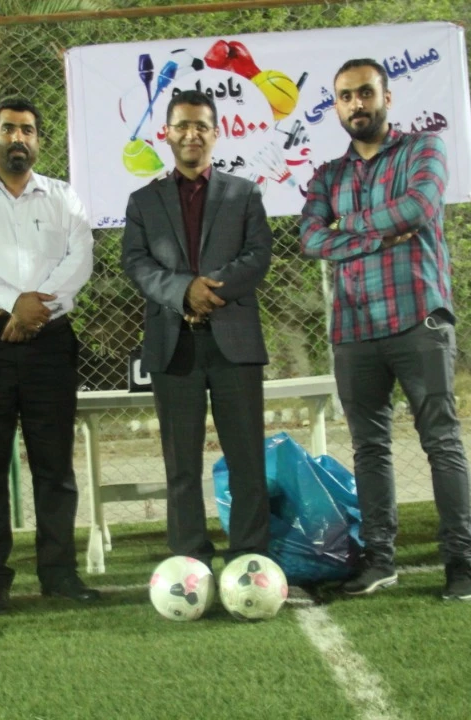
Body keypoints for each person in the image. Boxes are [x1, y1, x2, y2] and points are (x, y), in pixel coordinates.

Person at [298, 59, 471, 601]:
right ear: (336, 106)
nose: (357, 104)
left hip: (418, 317)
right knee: (369, 449)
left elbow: (418, 208)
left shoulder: (425, 150)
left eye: (366, 93)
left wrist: (348, 226)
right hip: (354, 327)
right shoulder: (328, 175)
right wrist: (379, 233)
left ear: (386, 98)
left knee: (441, 442)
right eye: (346, 96)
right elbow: (310, 238)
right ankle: (379, 561)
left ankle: (460, 563)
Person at [0, 97, 97, 615]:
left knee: (54, 466)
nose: (18, 138)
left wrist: (34, 313)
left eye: (27, 130)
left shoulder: (63, 197)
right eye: (8, 129)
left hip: (49, 343)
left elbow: (80, 259)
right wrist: (13, 304)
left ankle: (59, 573)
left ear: (38, 140)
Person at [121, 89, 272, 571]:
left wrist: (210, 292)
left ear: (216, 133)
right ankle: (190, 560)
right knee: (181, 465)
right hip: (174, 345)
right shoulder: (143, 201)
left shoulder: (244, 193)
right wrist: (184, 292)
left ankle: (249, 557)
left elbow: (258, 255)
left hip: (235, 342)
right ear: (166, 133)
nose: (192, 134)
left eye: (201, 125)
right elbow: (136, 263)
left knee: (246, 460)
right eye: (182, 125)